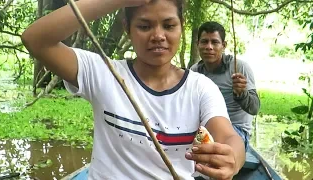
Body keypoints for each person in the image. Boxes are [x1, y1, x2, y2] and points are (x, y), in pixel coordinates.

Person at [21, 1, 245, 179]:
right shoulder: (104, 72)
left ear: (181, 26)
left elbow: (228, 136)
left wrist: (233, 158)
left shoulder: (201, 88)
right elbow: (36, 39)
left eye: (168, 25)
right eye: (144, 26)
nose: (158, 35)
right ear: (127, 28)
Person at [190, 21, 260, 151]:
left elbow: (254, 108)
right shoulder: (195, 71)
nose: (209, 47)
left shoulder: (239, 67)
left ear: (224, 45)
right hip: (205, 128)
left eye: (215, 42)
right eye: (204, 42)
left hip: (235, 130)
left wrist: (242, 93)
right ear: (197, 44)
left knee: (213, 147)